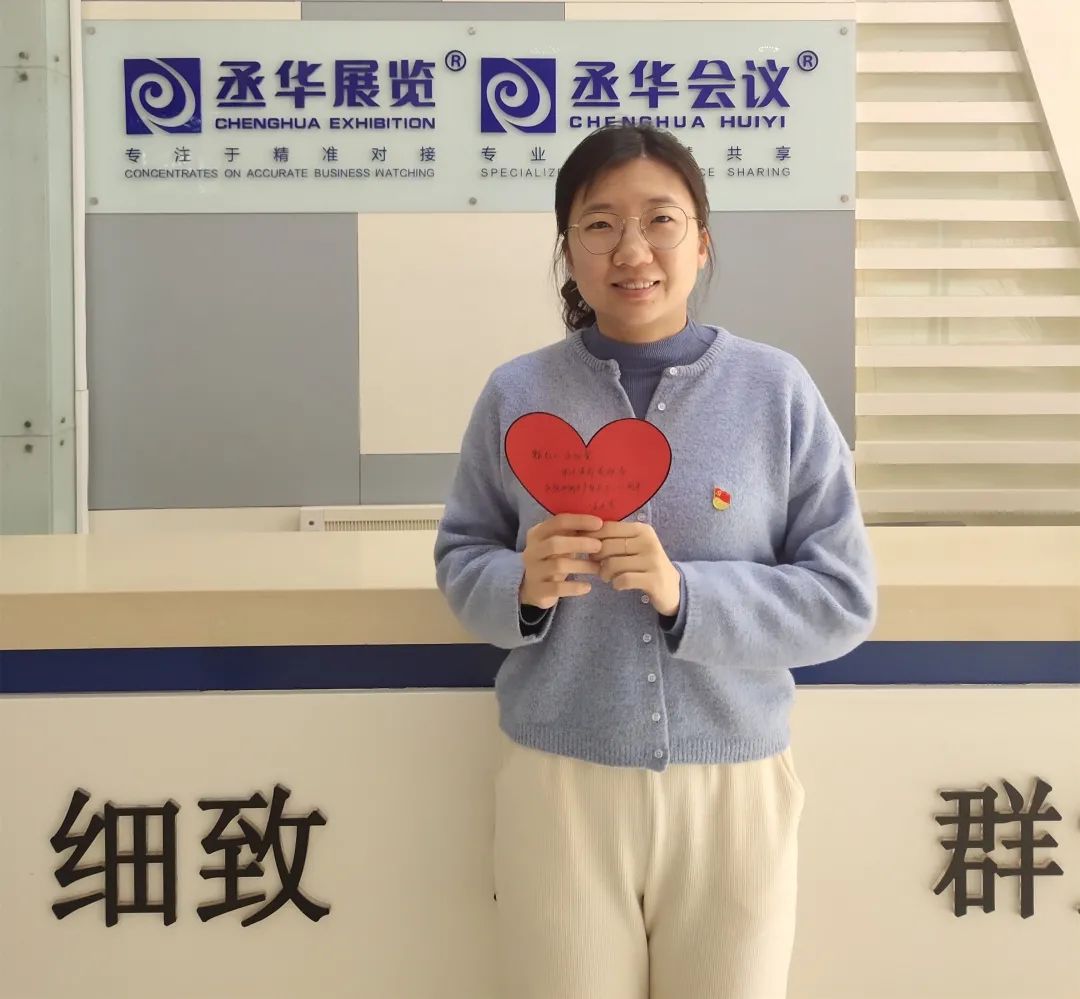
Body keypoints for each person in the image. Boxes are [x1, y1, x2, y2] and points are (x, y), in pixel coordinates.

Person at [434, 124, 877, 999]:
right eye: (599, 224)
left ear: (701, 241)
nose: (631, 251)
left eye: (660, 221)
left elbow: (842, 598)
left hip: (734, 786)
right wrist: (519, 586)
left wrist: (687, 593)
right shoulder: (517, 393)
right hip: (560, 781)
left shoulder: (776, 391)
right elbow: (460, 556)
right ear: (568, 250)